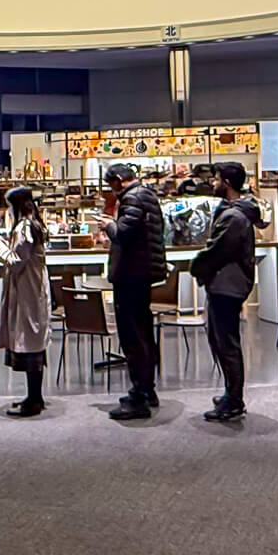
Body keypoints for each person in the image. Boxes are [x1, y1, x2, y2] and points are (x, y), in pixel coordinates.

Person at [190, 161, 261, 421]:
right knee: (221, 341)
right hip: (224, 284)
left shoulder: (234, 217)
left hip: (227, 286)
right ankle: (231, 394)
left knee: (227, 343)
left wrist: (197, 267)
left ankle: (234, 400)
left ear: (228, 184)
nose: (213, 183)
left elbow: (217, 251)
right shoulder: (233, 212)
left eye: (217, 179)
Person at [99, 163, 168, 421]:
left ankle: (139, 396)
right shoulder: (148, 195)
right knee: (144, 332)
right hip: (143, 273)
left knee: (132, 336)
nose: (110, 190)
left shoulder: (132, 199)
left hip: (130, 274)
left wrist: (108, 225)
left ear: (118, 180)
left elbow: (124, 234)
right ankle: (147, 390)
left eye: (110, 184)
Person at [0, 185, 51, 418]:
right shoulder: (31, 225)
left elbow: (16, 262)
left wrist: (0, 248)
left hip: (28, 294)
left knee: (31, 344)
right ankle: (34, 396)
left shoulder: (25, 227)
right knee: (32, 341)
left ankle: (34, 400)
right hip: (30, 292)